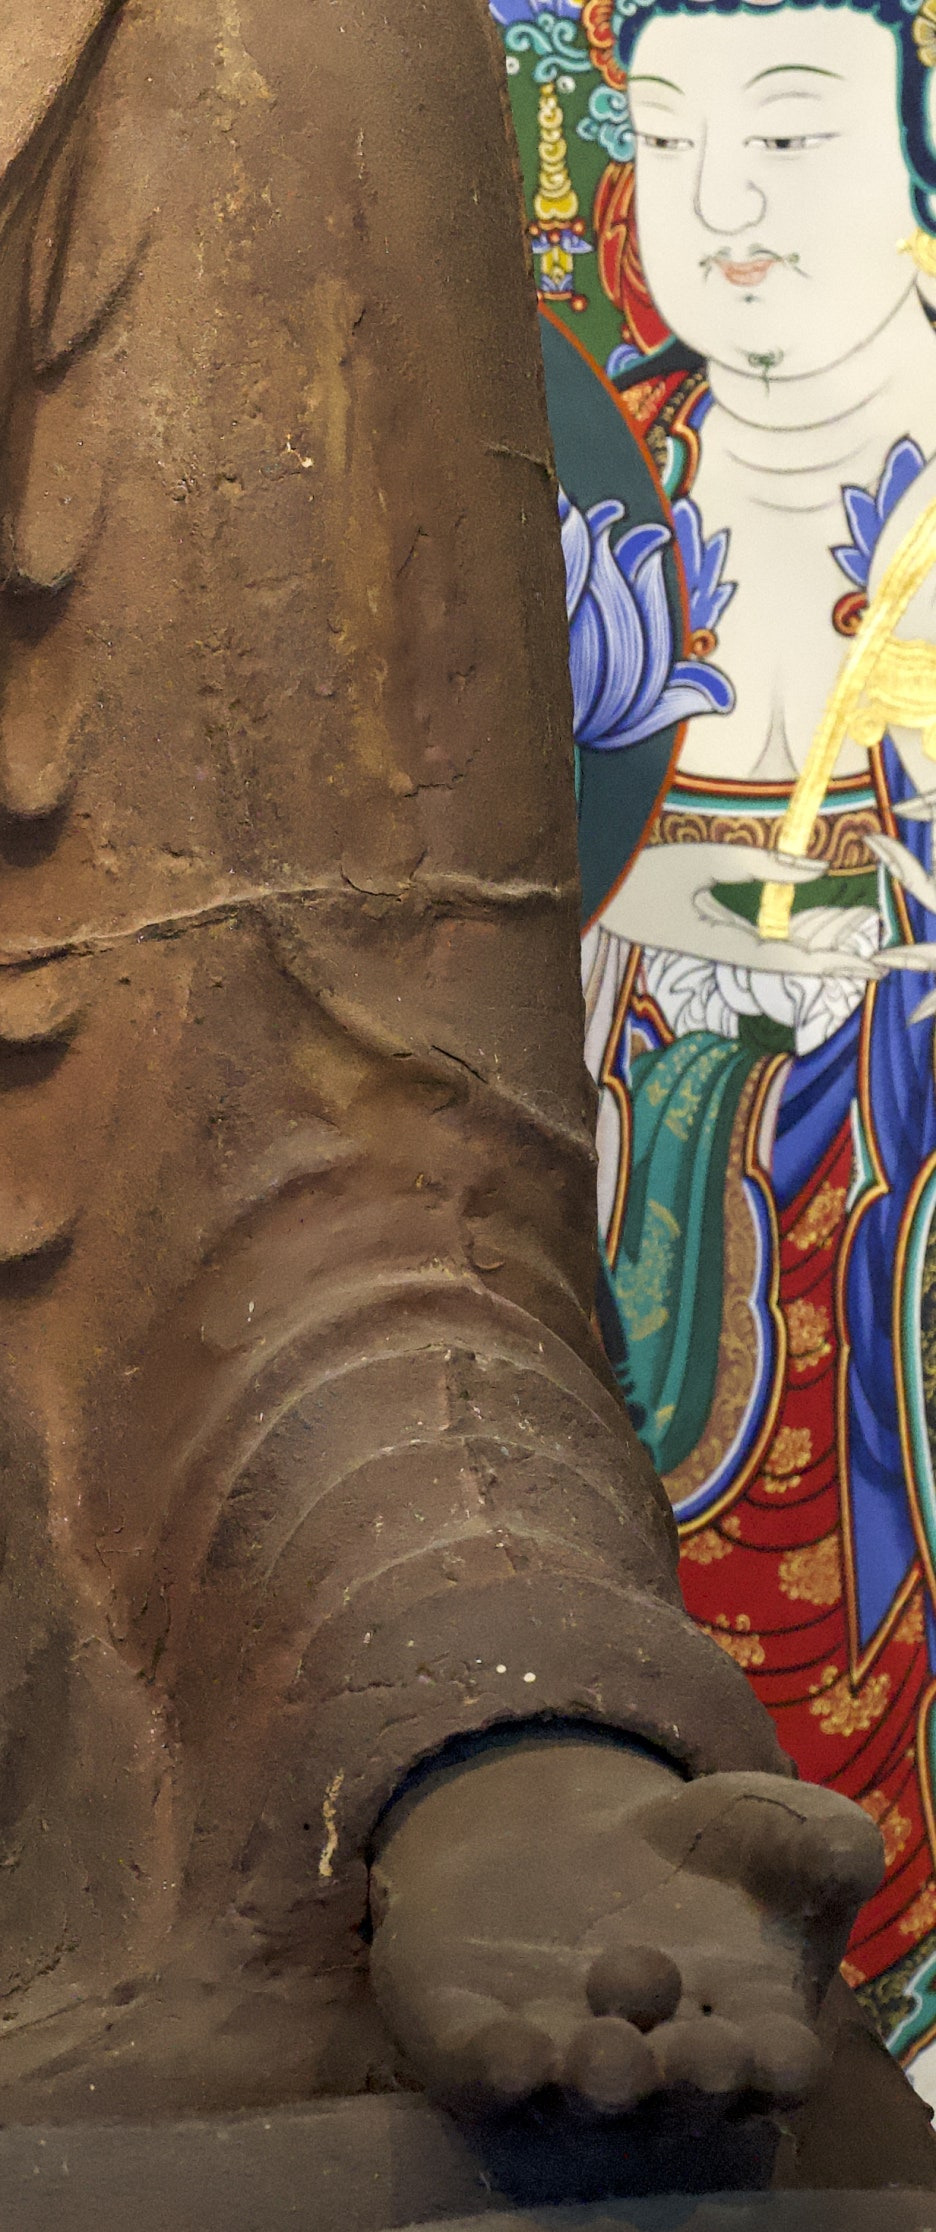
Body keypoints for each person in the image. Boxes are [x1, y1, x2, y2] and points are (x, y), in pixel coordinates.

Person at [495, 0, 936, 2111]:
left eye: (793, 129)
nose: (723, 203)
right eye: (667, 140)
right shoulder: (602, 474)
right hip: (617, 1199)